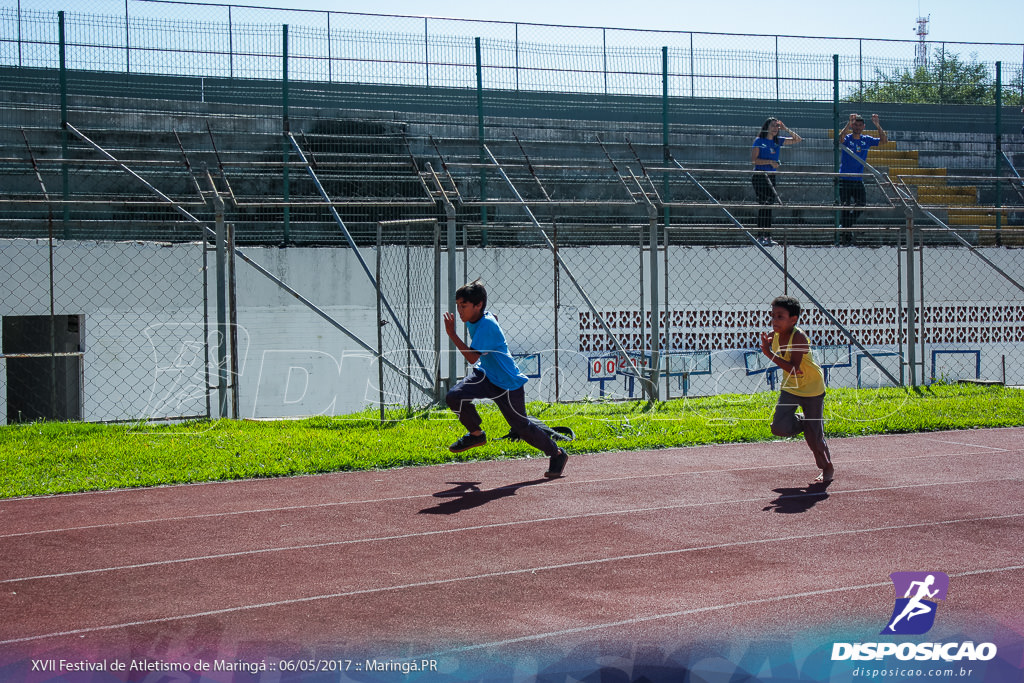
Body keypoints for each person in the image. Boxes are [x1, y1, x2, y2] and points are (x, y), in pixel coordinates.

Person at [444, 279, 568, 478]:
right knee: (454, 396)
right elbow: (493, 317)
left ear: (478, 305)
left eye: (463, 306)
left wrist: (451, 333)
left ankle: (557, 453)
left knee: (521, 427)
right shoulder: (477, 318)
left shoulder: (486, 325)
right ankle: (476, 435)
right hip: (485, 375)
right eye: (458, 306)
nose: (459, 311)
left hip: (508, 385)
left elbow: (472, 356)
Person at [759, 295, 834, 483]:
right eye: (773, 316)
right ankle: (806, 423)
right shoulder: (773, 334)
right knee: (778, 427)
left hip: (812, 389)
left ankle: (826, 467)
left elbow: (794, 368)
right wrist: (769, 346)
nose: (774, 320)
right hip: (791, 388)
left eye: (780, 317)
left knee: (814, 438)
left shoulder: (798, 337)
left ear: (794, 319)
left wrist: (768, 353)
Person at [836, 113, 888, 243]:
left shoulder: (866, 139)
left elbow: (884, 140)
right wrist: (848, 123)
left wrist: (877, 125)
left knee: (861, 204)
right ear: (853, 126)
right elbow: (839, 139)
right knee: (845, 206)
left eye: (860, 125)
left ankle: (846, 228)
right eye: (855, 125)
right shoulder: (848, 138)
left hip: (858, 179)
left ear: (864, 126)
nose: (858, 127)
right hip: (845, 178)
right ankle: (846, 235)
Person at [751, 117, 802, 243]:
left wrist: (786, 129)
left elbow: (798, 139)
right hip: (760, 175)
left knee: (769, 205)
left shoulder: (778, 141)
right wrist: (770, 162)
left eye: (777, 126)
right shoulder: (759, 140)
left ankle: (768, 236)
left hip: (771, 176)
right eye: (773, 125)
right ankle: (760, 236)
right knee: (763, 204)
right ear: (767, 127)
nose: (775, 128)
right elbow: (754, 160)